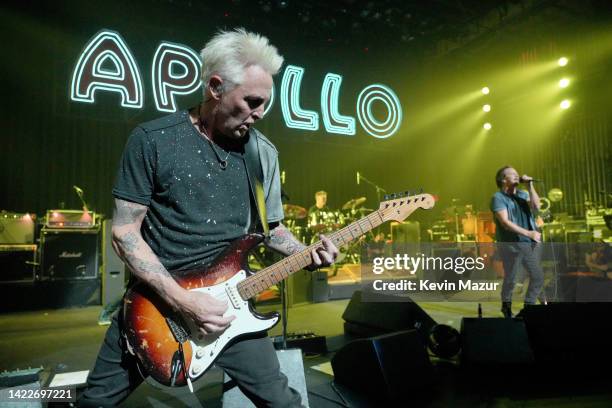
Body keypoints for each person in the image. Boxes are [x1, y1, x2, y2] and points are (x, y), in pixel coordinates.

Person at [79, 28, 338, 407]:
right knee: (95, 402)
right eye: (251, 101)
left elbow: (272, 229)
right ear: (215, 87)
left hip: (230, 308)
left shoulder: (262, 153)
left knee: (283, 403)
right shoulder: (153, 140)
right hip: (155, 310)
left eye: (265, 103)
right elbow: (124, 233)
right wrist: (184, 302)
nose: (260, 113)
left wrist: (307, 251)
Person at [491, 166, 544, 318]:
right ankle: (506, 307)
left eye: (517, 174)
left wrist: (529, 185)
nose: (517, 176)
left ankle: (528, 309)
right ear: (503, 180)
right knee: (511, 278)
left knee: (537, 276)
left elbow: (536, 207)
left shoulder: (523, 193)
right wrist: (529, 233)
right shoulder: (498, 198)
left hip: (527, 242)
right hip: (510, 243)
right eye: (512, 174)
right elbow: (505, 223)